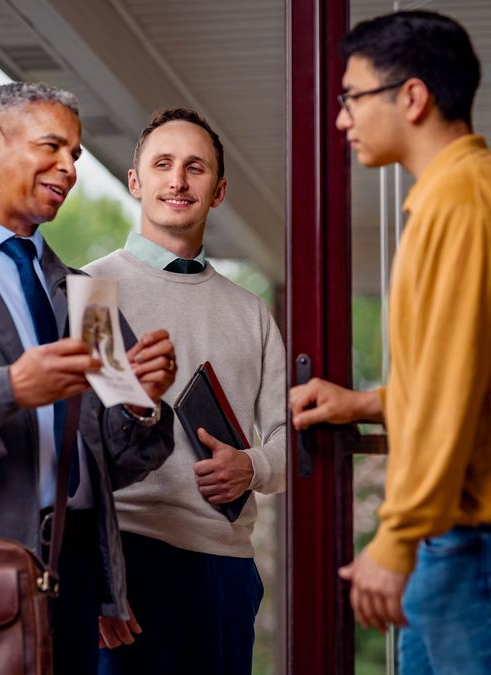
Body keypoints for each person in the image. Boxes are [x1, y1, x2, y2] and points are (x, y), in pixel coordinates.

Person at [0, 81, 178, 672]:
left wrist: (141, 406)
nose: (69, 168)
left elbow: (117, 463)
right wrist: (9, 389)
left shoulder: (84, 295)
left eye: (75, 154)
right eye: (53, 147)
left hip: (69, 565)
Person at [288, 10, 491, 671]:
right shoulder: (455, 194)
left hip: (469, 546)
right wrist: (363, 403)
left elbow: (448, 392)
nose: (341, 118)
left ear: (412, 96)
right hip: (456, 542)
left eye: (352, 97)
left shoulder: (459, 202)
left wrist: (398, 536)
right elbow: (459, 370)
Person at [84, 108, 286, 675]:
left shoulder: (252, 314)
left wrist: (252, 465)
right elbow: (74, 446)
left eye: (195, 168)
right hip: (125, 562)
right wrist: (97, 576)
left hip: (226, 570)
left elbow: (288, 438)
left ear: (217, 191)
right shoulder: (89, 295)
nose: (178, 180)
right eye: (163, 164)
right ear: (135, 181)